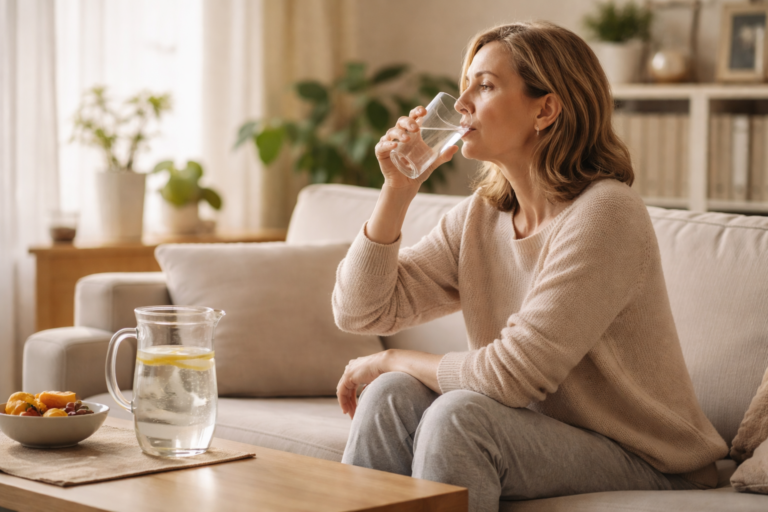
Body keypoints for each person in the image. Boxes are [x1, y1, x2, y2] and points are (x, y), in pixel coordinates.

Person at [331, 21, 728, 512]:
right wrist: (397, 189)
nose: (461, 105)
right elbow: (360, 311)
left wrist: (390, 357)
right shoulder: (480, 218)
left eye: (486, 86)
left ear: (546, 109)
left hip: (651, 460)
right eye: (465, 86)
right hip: (538, 433)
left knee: (459, 417)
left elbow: (511, 377)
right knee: (390, 395)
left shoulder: (606, 213)